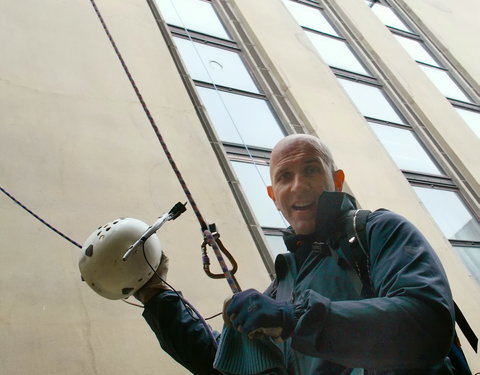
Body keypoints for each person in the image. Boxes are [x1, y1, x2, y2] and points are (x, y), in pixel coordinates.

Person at [136, 134, 455, 374]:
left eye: (312, 170)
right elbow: (226, 367)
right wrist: (154, 293)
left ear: (337, 181)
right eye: (285, 177)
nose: (298, 186)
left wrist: (292, 318)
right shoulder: (280, 288)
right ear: (274, 196)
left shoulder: (377, 232)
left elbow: (426, 322)